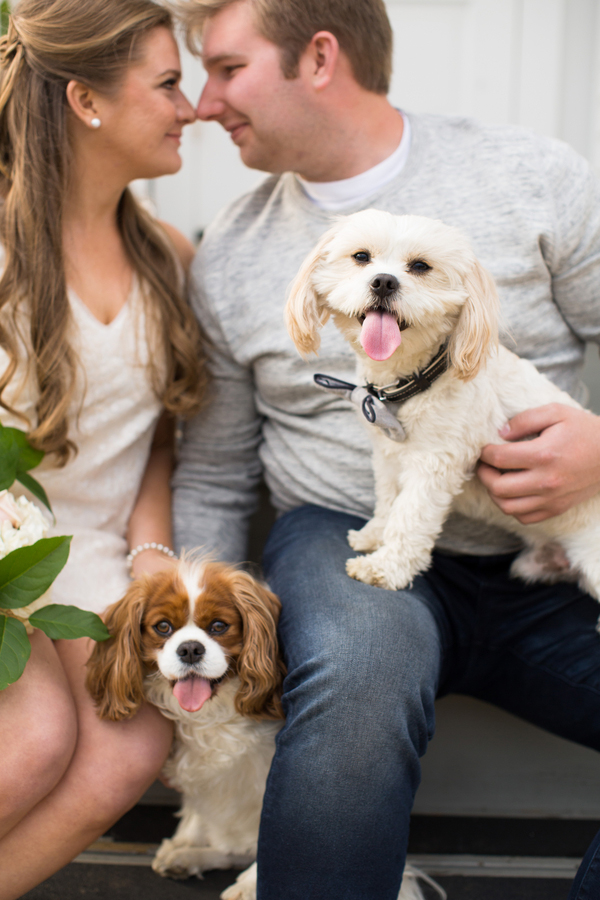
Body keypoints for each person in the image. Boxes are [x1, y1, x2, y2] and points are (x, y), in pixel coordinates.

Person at [172, 0, 600, 897]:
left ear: (318, 57)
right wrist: (183, 613)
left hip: (557, 542)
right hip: (347, 536)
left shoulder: (537, 176)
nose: (203, 104)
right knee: (358, 678)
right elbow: (214, 466)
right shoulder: (234, 254)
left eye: (224, 68)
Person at [0, 1, 207, 897]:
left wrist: (151, 561)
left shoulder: (169, 255)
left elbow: (154, 439)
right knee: (35, 739)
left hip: (94, 553)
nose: (191, 106)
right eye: (168, 84)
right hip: (8, 535)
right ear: (86, 100)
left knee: (127, 747)